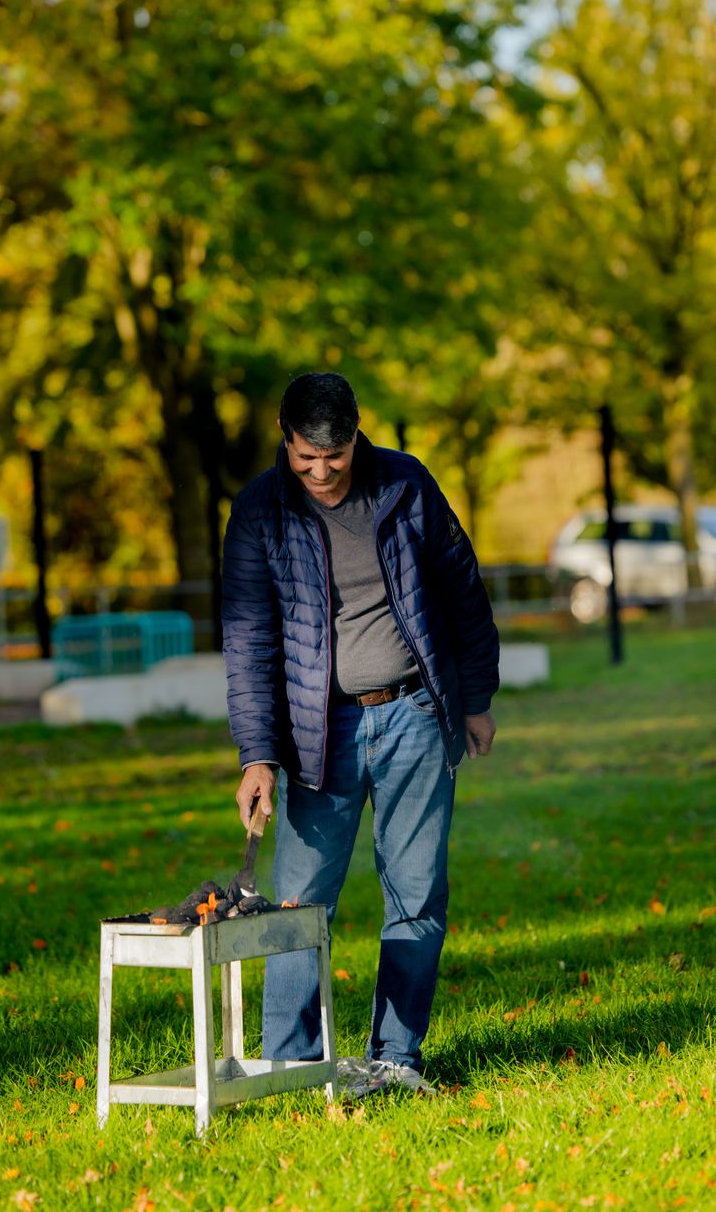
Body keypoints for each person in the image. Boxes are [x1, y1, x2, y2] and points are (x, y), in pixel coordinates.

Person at [221, 372, 499, 1095]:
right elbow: (249, 643)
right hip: (319, 732)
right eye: (306, 456)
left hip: (413, 713)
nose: (320, 471)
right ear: (284, 436)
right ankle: (288, 1064)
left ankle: (396, 1057)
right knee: (300, 906)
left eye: (334, 456)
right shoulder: (257, 513)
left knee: (416, 893)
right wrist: (257, 754)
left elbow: (463, 589)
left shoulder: (406, 485)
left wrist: (475, 699)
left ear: (356, 437)